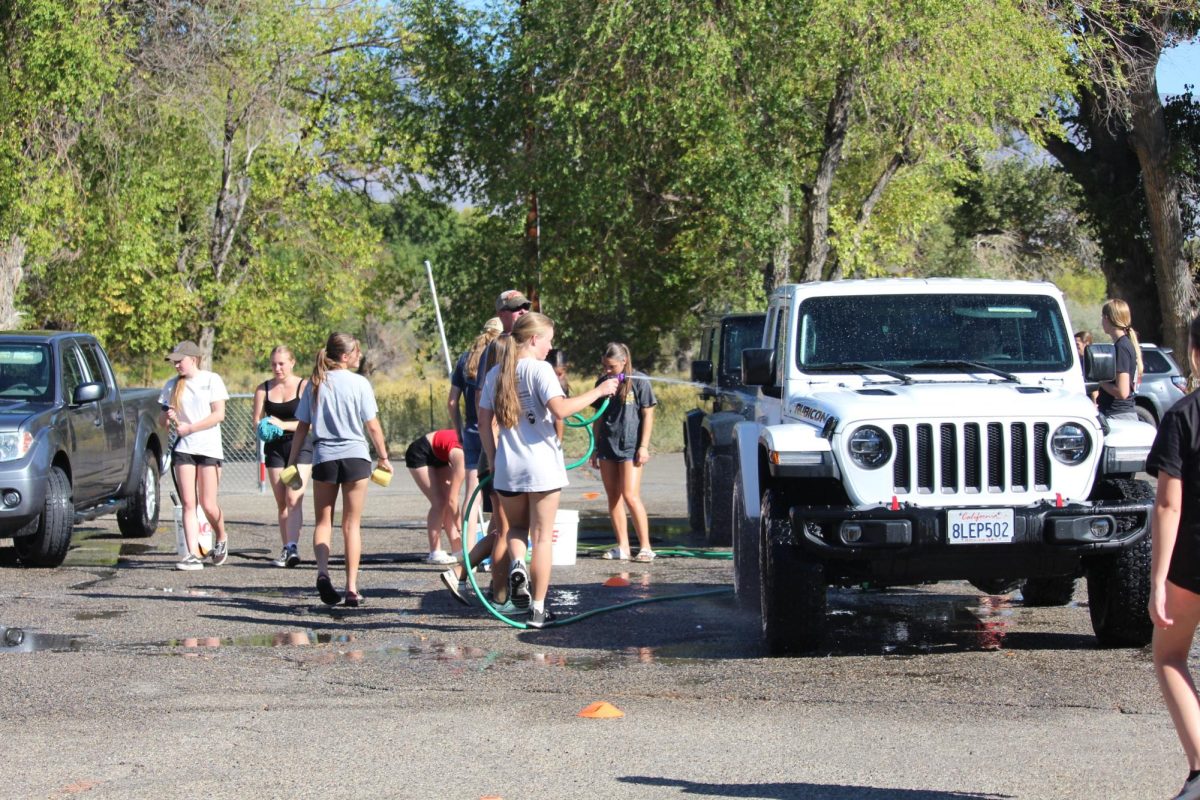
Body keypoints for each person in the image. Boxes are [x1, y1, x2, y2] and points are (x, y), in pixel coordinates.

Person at [479, 312, 619, 628]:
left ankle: (517, 565)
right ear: (533, 339)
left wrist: (492, 457)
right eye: (548, 340)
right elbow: (561, 410)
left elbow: (483, 420)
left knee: (515, 529)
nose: (550, 346)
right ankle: (539, 611)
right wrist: (599, 391)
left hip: (508, 467)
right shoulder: (540, 369)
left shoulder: (496, 373)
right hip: (541, 465)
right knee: (541, 538)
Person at [290, 333, 391, 607]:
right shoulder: (359, 383)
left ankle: (322, 573)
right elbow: (371, 425)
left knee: (324, 522)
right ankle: (351, 588)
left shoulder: (315, 384)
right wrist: (383, 456)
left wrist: (292, 460)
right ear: (345, 357)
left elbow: (302, 427)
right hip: (356, 457)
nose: (360, 356)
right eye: (356, 352)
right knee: (351, 525)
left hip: (324, 457)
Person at [1147, 314, 1200, 800]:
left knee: (1170, 656)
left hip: (1191, 562)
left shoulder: (1183, 414)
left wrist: (1156, 578)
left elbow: (1168, 504)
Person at [159, 340, 231, 571]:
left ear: (194, 359)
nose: (177, 365)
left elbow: (218, 415)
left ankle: (221, 537)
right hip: (184, 449)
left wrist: (190, 428)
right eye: (175, 362)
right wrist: (168, 417)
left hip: (208, 448)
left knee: (208, 504)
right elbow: (163, 423)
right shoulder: (171, 386)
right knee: (189, 503)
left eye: (180, 361)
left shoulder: (212, 380)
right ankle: (192, 553)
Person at [590, 342, 658, 562]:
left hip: (630, 446)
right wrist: (594, 448)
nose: (608, 371)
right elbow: (598, 417)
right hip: (607, 445)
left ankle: (646, 547)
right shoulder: (603, 383)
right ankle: (623, 546)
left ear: (623, 361)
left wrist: (644, 446)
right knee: (614, 497)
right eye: (605, 367)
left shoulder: (639, 381)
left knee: (630, 495)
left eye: (611, 367)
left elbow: (648, 414)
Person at [252, 345, 313, 568]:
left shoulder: (304, 386)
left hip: (301, 446)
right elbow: (257, 421)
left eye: (282, 364)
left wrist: (283, 425)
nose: (277, 368)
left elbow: (312, 422)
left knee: (293, 498)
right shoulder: (263, 389)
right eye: (274, 364)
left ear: (292, 362)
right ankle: (286, 547)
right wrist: (265, 427)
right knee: (282, 503)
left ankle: (293, 546)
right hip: (275, 448)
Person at [448, 317, 502, 548]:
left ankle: (468, 551)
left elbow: (452, 401)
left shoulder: (465, 360)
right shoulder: (500, 357)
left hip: (471, 429)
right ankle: (496, 546)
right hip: (496, 428)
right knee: (500, 493)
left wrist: (458, 429)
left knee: (472, 493)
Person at [405, 429, 466, 564]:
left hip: (440, 455)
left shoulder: (469, 453)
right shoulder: (462, 457)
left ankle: (457, 549)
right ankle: (435, 552)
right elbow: (452, 499)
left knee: (446, 501)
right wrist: (462, 528)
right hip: (420, 452)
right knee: (440, 502)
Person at [1098, 299, 1143, 421]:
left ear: (1107, 318)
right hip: (1120, 414)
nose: (1101, 321)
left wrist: (1100, 382)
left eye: (1102, 317)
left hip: (1118, 416)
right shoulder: (1124, 344)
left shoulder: (1121, 347)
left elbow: (1122, 392)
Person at [1075, 330, 1099, 405]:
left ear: (1086, 344)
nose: (1075, 348)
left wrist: (1094, 403)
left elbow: (1094, 388)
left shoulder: (1092, 362)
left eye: (1077, 345)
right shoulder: (1077, 362)